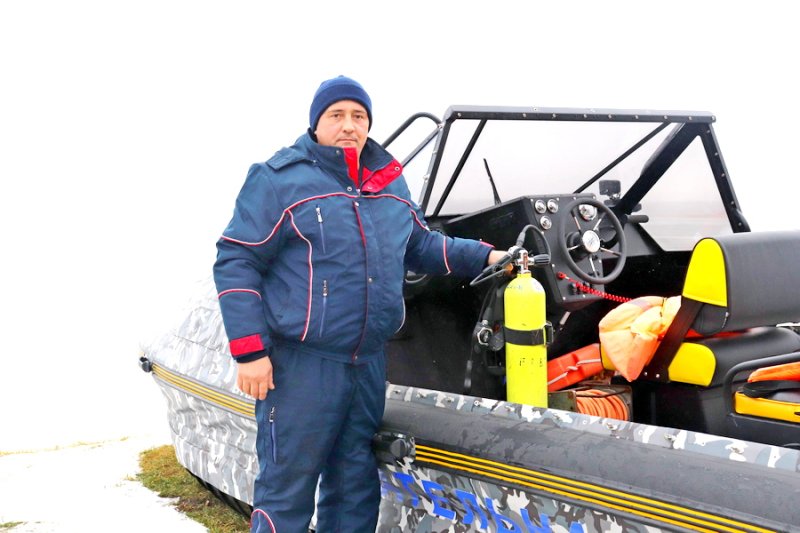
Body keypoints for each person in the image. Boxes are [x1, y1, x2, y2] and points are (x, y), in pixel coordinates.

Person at [213, 75, 506, 533]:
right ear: (316, 124)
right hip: (301, 366)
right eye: (337, 115)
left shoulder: (387, 182)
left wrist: (489, 256)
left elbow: (422, 245)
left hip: (366, 365)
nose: (349, 125)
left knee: (354, 490)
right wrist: (249, 351)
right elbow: (237, 259)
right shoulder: (278, 180)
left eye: (359, 116)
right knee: (286, 489)